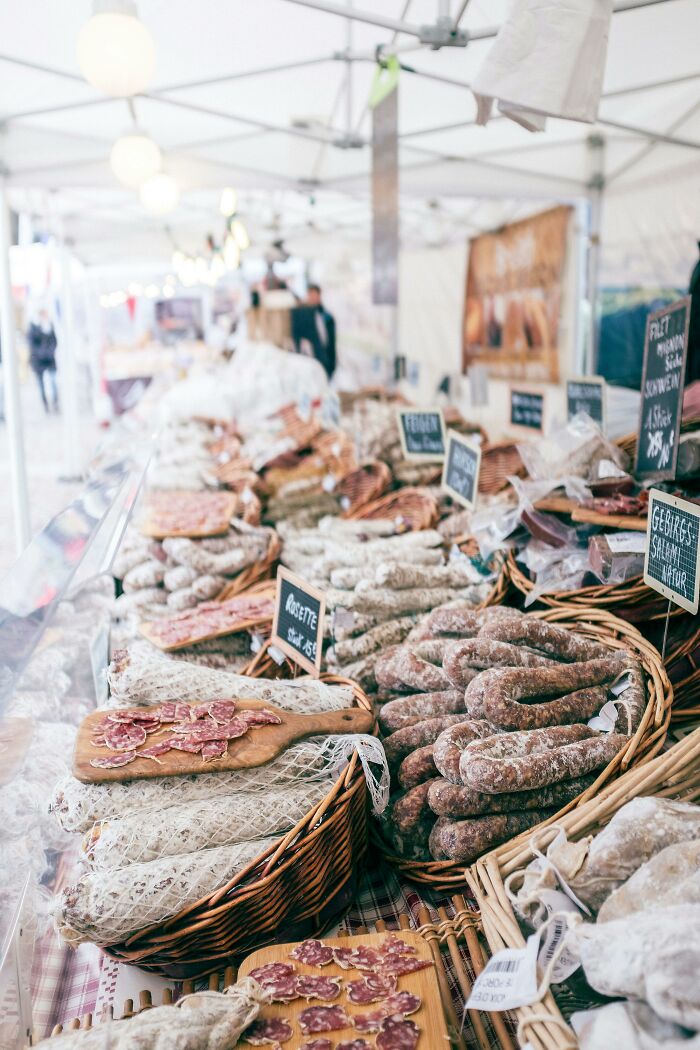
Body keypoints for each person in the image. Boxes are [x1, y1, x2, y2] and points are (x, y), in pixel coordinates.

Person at [27, 309, 59, 413]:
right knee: (41, 384)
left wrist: (49, 352)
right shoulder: (33, 327)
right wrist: (41, 353)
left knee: (53, 381)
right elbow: (32, 344)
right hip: (38, 361)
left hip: (50, 359)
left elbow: (54, 341)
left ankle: (55, 402)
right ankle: (45, 404)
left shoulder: (49, 326)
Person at [306, 284, 336, 380]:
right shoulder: (304, 317)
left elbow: (331, 343)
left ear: (319, 296)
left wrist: (331, 363)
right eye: (310, 296)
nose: (312, 298)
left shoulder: (327, 317)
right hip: (311, 361)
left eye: (314, 295)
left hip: (324, 361)